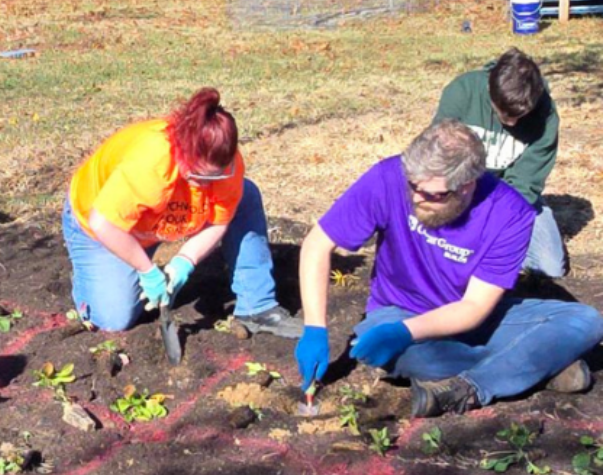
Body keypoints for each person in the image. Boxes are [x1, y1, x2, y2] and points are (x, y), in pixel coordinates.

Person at [294, 120, 603, 418]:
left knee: (585, 321)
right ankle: (534, 364)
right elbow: (317, 244)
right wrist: (314, 328)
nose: (416, 199)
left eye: (433, 194)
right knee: (413, 356)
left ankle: (471, 387)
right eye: (413, 186)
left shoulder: (510, 213)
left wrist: (406, 333)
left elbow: (474, 307)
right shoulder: (388, 177)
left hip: (469, 317)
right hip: (398, 313)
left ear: (467, 186)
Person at [62, 87, 301, 337]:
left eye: (216, 175)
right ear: (183, 152)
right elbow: (103, 224)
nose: (209, 183)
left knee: (245, 194)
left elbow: (221, 220)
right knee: (114, 318)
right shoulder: (151, 163)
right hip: (103, 226)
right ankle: (89, 281)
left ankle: (257, 306)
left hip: (161, 220)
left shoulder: (225, 166)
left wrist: (185, 260)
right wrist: (147, 271)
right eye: (198, 175)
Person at [434, 48, 564, 277]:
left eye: (520, 116)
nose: (513, 123)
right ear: (489, 90)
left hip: (508, 195)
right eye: (504, 114)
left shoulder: (546, 115)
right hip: (460, 188)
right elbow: (438, 157)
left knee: (550, 267)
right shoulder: (463, 92)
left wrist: (493, 226)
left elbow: (524, 184)